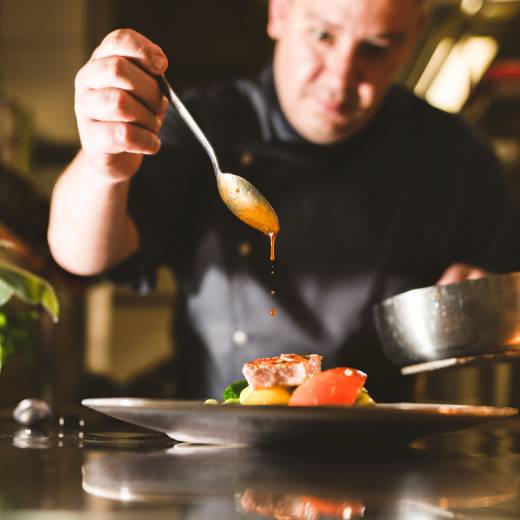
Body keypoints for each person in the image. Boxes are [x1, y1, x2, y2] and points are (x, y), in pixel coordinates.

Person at [47, 0, 519, 401]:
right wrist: (101, 165)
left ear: (413, 36)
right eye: (322, 35)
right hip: (219, 462)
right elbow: (84, 255)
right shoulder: (206, 125)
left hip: (382, 466)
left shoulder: (453, 155)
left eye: (378, 48)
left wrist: (482, 302)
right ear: (279, 12)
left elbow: (501, 288)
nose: (341, 76)